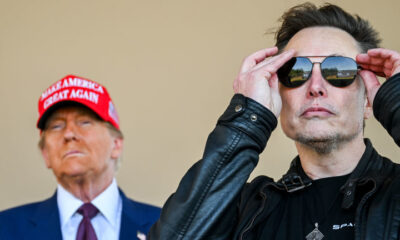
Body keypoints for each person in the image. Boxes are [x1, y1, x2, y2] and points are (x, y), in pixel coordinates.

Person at [148, 3, 400, 240]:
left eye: (339, 69)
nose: (315, 87)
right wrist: (248, 116)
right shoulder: (246, 210)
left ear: (368, 101)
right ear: (277, 98)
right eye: (295, 71)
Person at [0, 75, 160, 240]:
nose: (69, 134)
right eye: (56, 126)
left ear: (116, 144)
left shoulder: (167, 226)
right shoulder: (5, 229)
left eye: (84, 122)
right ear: (45, 154)